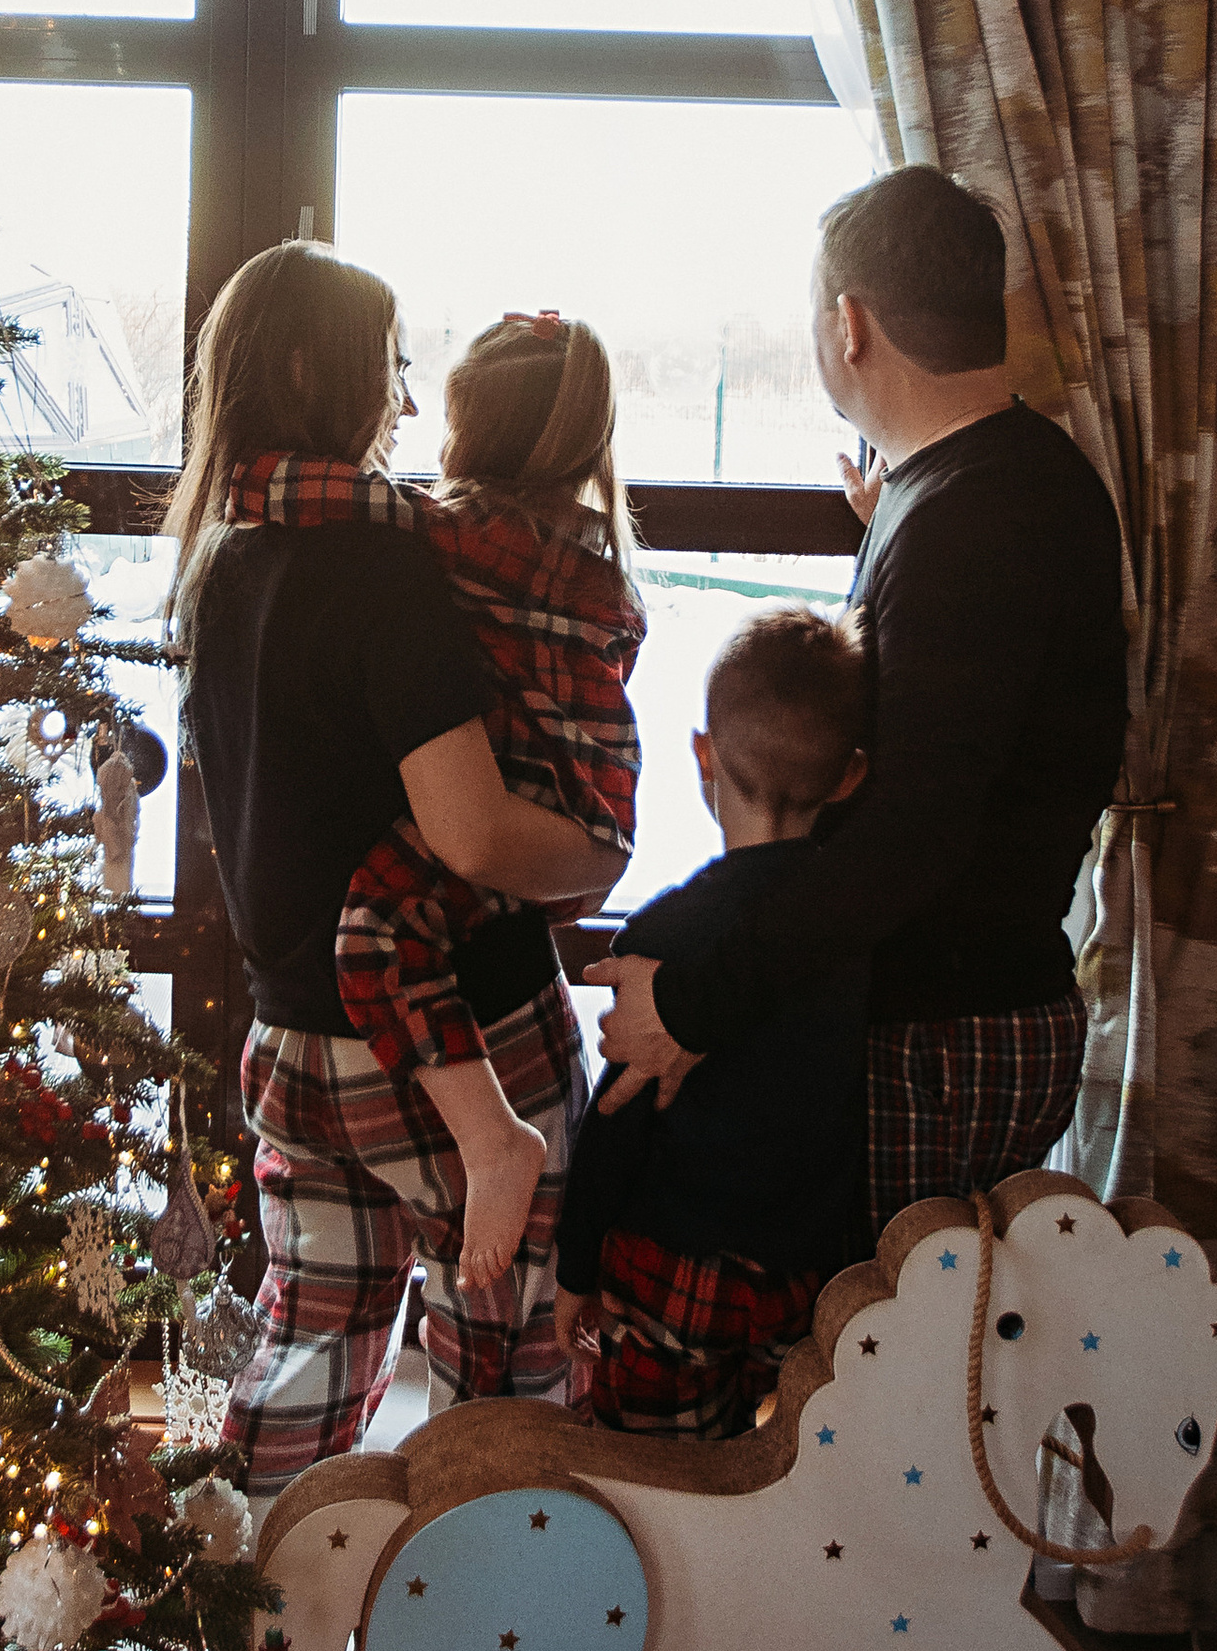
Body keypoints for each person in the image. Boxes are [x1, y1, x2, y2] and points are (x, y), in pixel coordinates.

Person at [591, 166, 1127, 1247]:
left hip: (942, 1034)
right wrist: (886, 521)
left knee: (886, 1382)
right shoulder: (996, 480)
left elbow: (911, 835)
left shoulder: (971, 524)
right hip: (971, 1011)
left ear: (848, 324)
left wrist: (697, 1007)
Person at [169, 243, 615, 1495]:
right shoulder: (381, 567)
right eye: (391, 367)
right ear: (319, 368)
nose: (406, 403)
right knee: (507, 1368)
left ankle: (257, 1646)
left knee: (307, 1349)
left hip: (297, 1040)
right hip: (455, 1033)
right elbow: (468, 835)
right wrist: (595, 851)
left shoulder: (227, 558)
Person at [549, 605, 870, 1651]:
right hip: (797, 1285)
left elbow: (616, 1130)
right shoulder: (847, 940)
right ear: (851, 778)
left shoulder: (672, 941)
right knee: (757, 1512)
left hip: (665, 1281)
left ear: (699, 758)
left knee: (665, 1515)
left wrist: (578, 1271)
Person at [327, 310, 645, 1289]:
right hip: (579, 816)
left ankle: (492, 1140)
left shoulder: (438, 538)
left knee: (375, 930)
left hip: (503, 814)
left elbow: (321, 496)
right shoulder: (598, 567)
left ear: (464, 436)